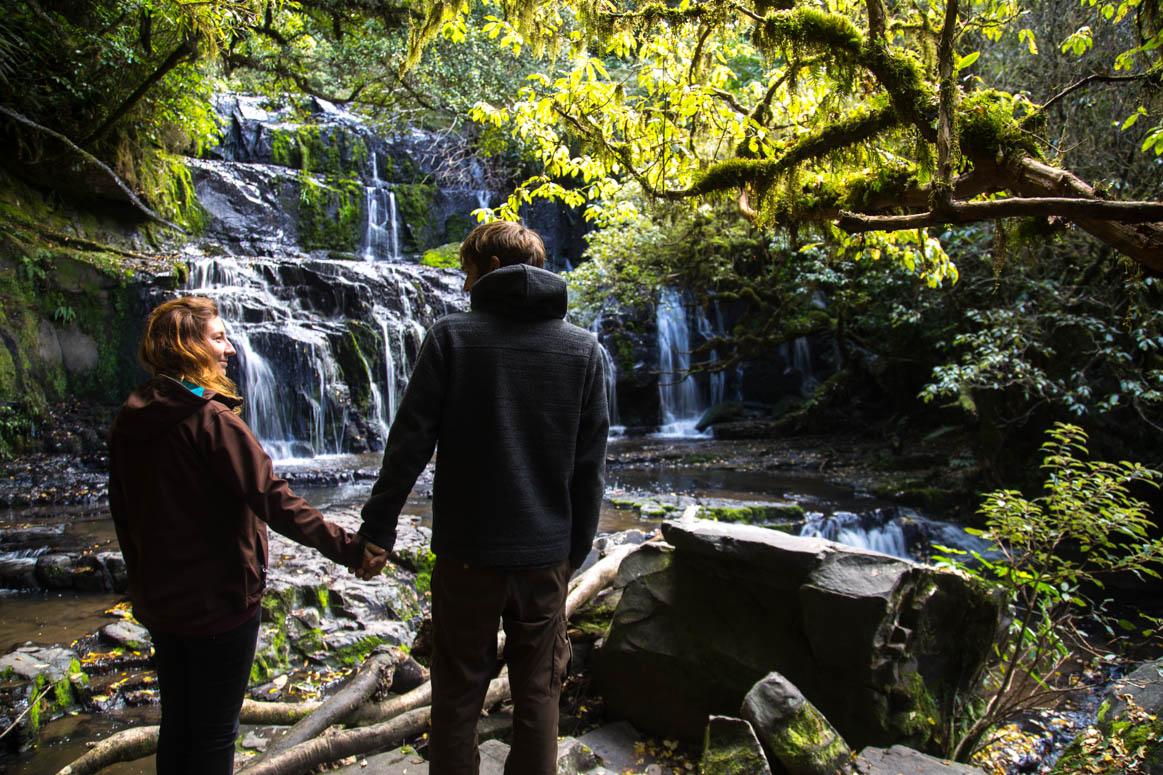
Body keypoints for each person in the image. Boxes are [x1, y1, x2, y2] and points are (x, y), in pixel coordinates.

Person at [356, 221, 609, 774]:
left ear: (493, 269)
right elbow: (590, 469)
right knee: (540, 695)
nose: (464, 285)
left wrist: (378, 527)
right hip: (545, 557)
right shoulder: (583, 349)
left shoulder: (452, 338)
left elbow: (409, 444)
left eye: (467, 272)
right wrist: (573, 552)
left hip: (467, 555)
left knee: (457, 696)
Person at [107, 296, 370, 775]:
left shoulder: (130, 417)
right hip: (221, 604)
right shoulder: (210, 421)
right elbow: (273, 498)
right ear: (189, 348)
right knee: (213, 735)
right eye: (218, 338)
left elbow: (122, 512)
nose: (229, 349)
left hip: (162, 603)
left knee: (179, 727)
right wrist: (349, 548)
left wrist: (140, 582)